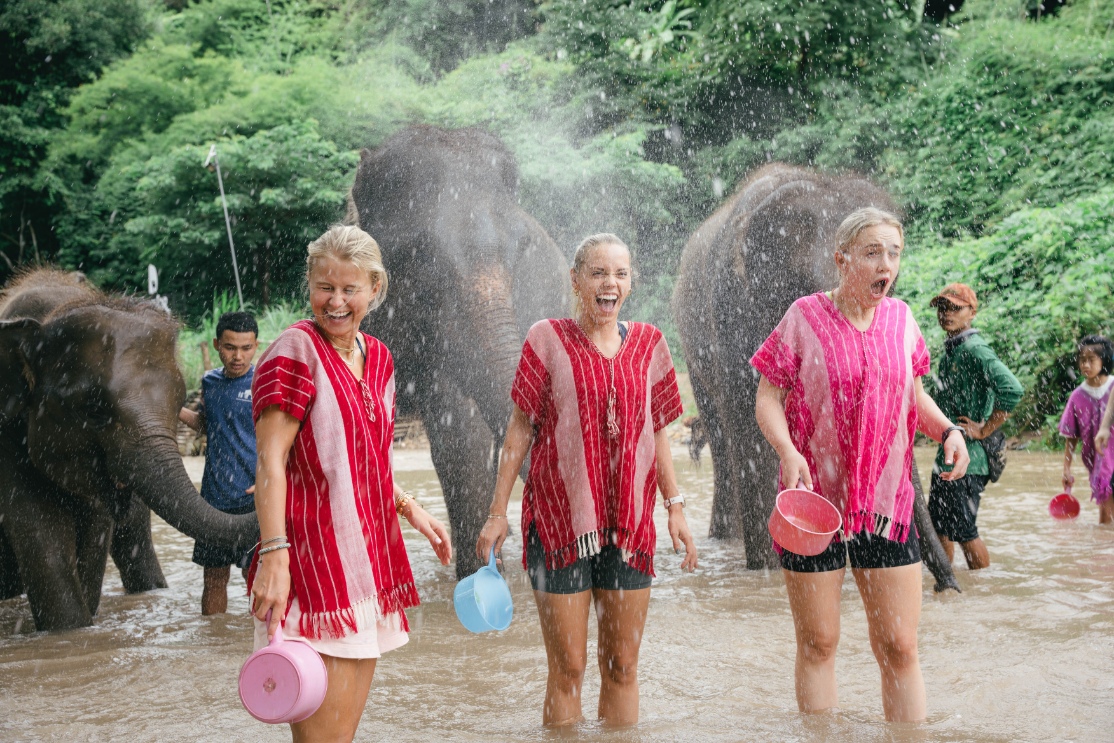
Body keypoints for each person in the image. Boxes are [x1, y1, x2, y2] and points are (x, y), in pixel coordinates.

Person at [752, 207, 970, 723]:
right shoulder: (804, 316)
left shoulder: (902, 319)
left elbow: (912, 396)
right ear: (842, 258)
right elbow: (767, 398)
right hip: (812, 504)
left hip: (885, 502)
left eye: (893, 253)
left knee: (899, 646)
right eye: (872, 252)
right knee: (819, 642)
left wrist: (949, 431)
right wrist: (788, 450)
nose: (886, 264)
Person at [476, 233, 698, 728]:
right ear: (576, 280)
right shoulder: (546, 338)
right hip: (558, 528)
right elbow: (518, 430)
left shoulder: (650, 344)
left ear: (631, 282)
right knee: (569, 668)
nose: (610, 283)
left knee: (621, 666)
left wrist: (675, 506)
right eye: (598, 273)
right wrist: (497, 515)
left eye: (620, 273)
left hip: (631, 527)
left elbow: (656, 431)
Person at [248, 225, 452, 742]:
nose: (335, 302)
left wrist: (409, 507)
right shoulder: (296, 350)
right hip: (312, 567)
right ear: (310, 285)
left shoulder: (378, 357)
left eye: (349, 289)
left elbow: (366, 459)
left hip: (366, 564)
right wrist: (274, 557)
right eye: (325, 287)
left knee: (343, 735)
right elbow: (270, 462)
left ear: (374, 289)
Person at [927, 282, 1023, 569]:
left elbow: (1012, 389)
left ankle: (981, 592)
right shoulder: (954, 349)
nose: (946, 314)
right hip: (949, 456)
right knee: (940, 529)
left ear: (972, 313)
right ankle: (949, 587)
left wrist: (984, 429)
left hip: (970, 459)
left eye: (955, 308)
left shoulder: (975, 349)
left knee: (965, 532)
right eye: (942, 308)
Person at [178, 311, 259, 615]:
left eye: (246, 348)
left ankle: (264, 652)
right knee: (213, 578)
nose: (238, 356)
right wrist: (175, 409)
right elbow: (205, 423)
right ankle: (214, 645)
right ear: (216, 344)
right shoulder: (210, 382)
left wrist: (272, 481)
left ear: (256, 345)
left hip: (255, 499)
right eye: (230, 347)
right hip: (213, 500)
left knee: (257, 578)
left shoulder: (265, 381)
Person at [1060, 336, 1114, 523]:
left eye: (1091, 359)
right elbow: (1071, 436)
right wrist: (1066, 468)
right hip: (1098, 460)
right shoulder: (1077, 397)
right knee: (1106, 516)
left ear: (1105, 360)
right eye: (1082, 360)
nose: (1086, 364)